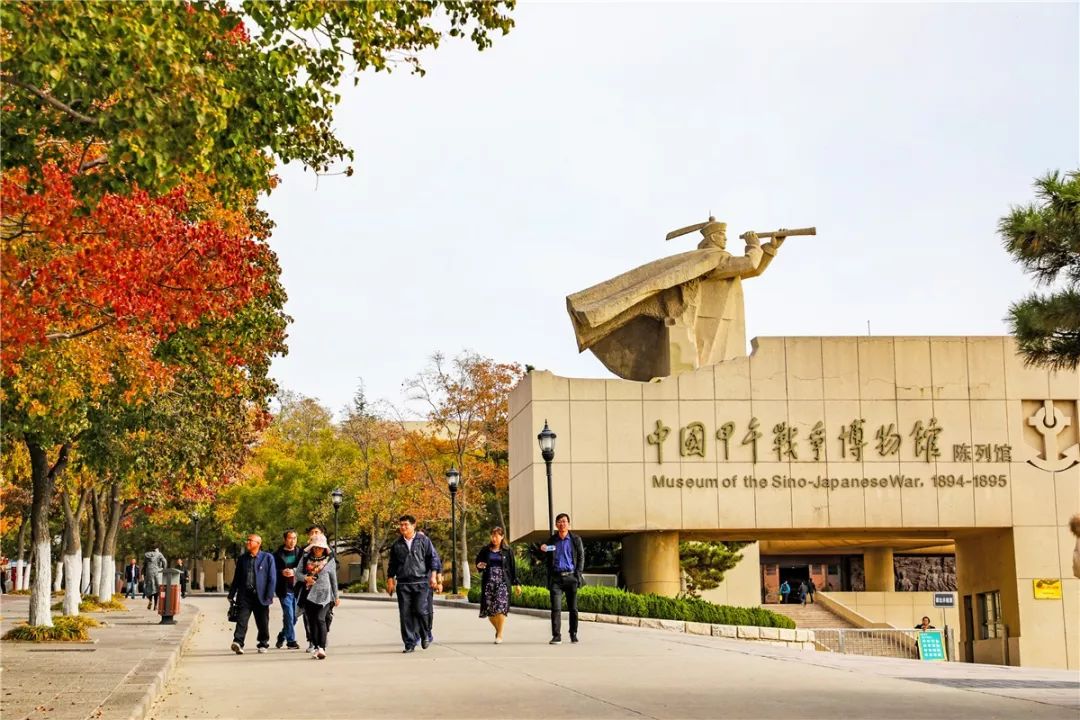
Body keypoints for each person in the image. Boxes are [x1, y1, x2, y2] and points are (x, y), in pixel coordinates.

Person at [386, 514, 439, 653]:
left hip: (421, 582)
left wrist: (433, 576)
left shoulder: (423, 540)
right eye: (401, 525)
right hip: (403, 584)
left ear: (413, 525)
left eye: (406, 525)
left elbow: (432, 558)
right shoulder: (396, 544)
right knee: (405, 615)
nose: (403, 527)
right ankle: (409, 643)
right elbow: (392, 564)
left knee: (421, 610)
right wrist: (390, 580)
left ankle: (425, 633)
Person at [228, 534, 277, 655]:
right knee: (242, 620)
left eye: (251, 541)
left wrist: (269, 595)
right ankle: (238, 642)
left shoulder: (267, 558)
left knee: (262, 622)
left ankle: (263, 643)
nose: (248, 542)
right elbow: (237, 578)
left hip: (261, 595)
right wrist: (231, 593)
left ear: (258, 543)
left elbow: (272, 578)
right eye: (247, 540)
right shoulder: (242, 559)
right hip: (245, 595)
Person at [541, 513, 584, 645]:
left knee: (573, 608)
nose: (562, 524)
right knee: (556, 608)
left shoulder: (575, 539)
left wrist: (578, 574)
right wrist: (542, 549)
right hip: (556, 579)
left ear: (568, 524)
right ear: (556, 525)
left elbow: (581, 557)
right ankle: (556, 635)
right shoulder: (552, 540)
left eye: (564, 521)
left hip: (571, 577)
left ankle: (573, 633)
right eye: (559, 521)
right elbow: (544, 557)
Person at [475, 526, 520, 644]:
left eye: (496, 536)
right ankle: (498, 629)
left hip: (503, 582)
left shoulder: (507, 550)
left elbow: (512, 568)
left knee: (500, 607)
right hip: (489, 582)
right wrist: (479, 565)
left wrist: (517, 584)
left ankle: (499, 634)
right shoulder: (485, 550)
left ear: (502, 537)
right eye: (492, 535)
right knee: (490, 611)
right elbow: (478, 562)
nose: (494, 538)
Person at [296, 535, 339, 659]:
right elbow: (297, 574)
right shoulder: (305, 559)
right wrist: (306, 578)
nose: (317, 550)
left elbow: (333, 579)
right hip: (308, 594)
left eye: (320, 547)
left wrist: (336, 596)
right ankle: (315, 646)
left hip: (325, 595)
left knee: (320, 619)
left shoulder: (329, 561)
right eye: (315, 547)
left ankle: (322, 647)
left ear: (324, 548)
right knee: (312, 621)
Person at [273, 529, 303, 650]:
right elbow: (272, 571)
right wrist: (281, 572)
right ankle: (291, 641)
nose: (292, 541)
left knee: (294, 616)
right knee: (289, 614)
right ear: (285, 539)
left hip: (297, 588)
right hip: (284, 589)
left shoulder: (301, 553)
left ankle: (282, 635)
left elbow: (305, 568)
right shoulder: (277, 554)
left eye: (295, 538)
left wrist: (294, 571)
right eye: (290, 538)